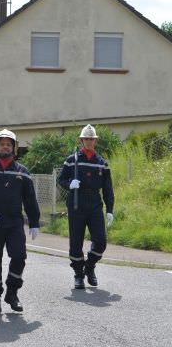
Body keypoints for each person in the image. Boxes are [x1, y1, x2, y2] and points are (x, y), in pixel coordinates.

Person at [0, 129, 41, 315]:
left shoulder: (23, 172)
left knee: (19, 256)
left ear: (14, 148)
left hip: (14, 223)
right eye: (2, 144)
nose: (5, 147)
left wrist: (34, 222)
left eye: (9, 144)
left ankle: (12, 292)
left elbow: (30, 199)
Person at [59, 124, 115, 289]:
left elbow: (108, 189)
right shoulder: (71, 160)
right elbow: (61, 180)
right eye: (86, 139)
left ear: (95, 141)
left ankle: (89, 267)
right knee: (76, 242)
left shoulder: (102, 163)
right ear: (81, 140)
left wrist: (110, 209)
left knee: (101, 241)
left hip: (94, 203)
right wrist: (70, 184)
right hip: (77, 201)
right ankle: (78, 274)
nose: (89, 142)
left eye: (92, 139)